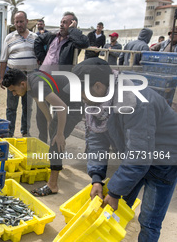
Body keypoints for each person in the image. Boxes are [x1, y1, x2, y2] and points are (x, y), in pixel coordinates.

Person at [72, 57, 177, 242]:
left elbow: (140, 156)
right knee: (117, 206)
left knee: (149, 220)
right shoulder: (97, 105)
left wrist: (114, 192)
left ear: (97, 87)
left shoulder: (136, 102)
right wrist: (97, 178)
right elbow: (97, 139)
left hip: (164, 161)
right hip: (136, 155)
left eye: (81, 93)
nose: (80, 98)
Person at [2, 69, 82, 196]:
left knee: (56, 141)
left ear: (22, 84)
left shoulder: (37, 83)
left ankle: (53, 185)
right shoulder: (30, 81)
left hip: (74, 106)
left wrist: (60, 133)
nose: (13, 94)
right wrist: (50, 120)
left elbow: (63, 108)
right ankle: (57, 161)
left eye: (13, 90)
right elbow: (40, 102)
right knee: (54, 133)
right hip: (65, 101)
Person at [34, 11, 89, 143]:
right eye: (61, 22)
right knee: (41, 113)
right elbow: (38, 41)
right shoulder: (52, 36)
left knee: (58, 112)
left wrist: (73, 31)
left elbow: (84, 43)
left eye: (66, 23)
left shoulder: (73, 41)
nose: (62, 25)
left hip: (59, 81)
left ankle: (54, 142)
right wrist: (42, 58)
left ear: (73, 24)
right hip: (43, 77)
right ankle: (42, 142)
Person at [0, 11, 38, 137]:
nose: (19, 24)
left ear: (27, 21)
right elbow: (3, 59)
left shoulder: (35, 37)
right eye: (16, 22)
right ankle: (9, 133)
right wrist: (1, 78)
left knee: (28, 107)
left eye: (21, 21)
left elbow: (40, 58)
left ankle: (25, 132)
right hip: (13, 79)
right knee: (11, 108)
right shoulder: (9, 38)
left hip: (30, 78)